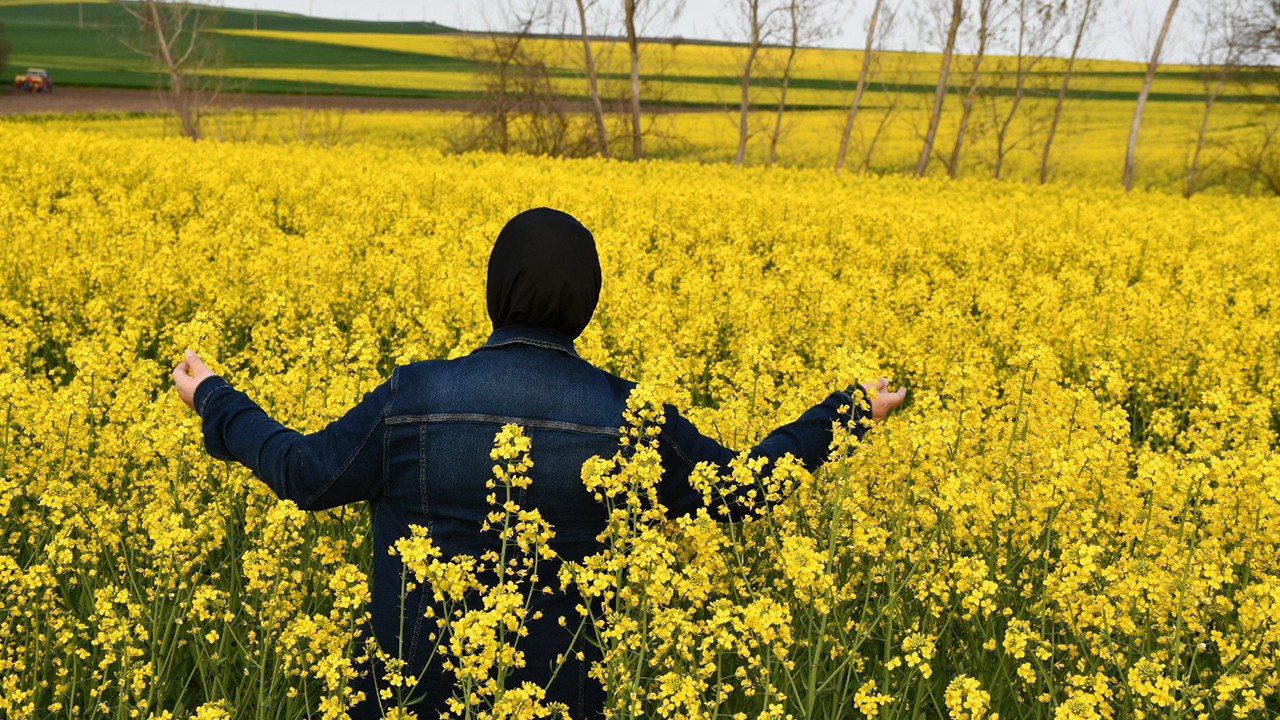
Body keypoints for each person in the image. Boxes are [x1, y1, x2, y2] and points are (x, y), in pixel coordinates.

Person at [172, 207, 907, 719]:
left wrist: (216, 398)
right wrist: (845, 415)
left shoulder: (415, 395)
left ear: (496, 290)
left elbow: (304, 474)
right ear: (587, 301)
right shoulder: (631, 416)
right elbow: (742, 489)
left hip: (408, 694)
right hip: (561, 696)